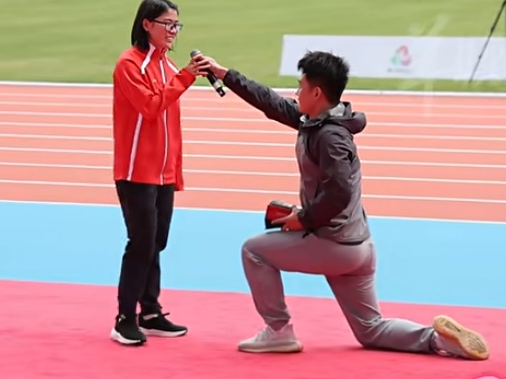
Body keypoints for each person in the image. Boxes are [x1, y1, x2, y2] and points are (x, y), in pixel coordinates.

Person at [192, 50, 490, 360]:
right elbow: (270, 102)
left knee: (253, 250)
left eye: (300, 86)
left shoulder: (330, 137)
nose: (295, 94)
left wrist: (302, 219)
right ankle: (439, 340)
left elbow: (339, 194)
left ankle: (279, 331)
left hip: (334, 245)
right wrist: (224, 73)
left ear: (316, 92)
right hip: (358, 247)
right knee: (371, 329)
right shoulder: (317, 121)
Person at [110, 0, 208, 346]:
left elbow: (171, 125)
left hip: (163, 173)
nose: (173, 32)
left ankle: (150, 310)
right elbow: (150, 107)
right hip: (136, 171)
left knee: (157, 241)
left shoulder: (167, 66)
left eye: (177, 25)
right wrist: (186, 77)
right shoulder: (129, 65)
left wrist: (175, 171)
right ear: (147, 24)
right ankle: (125, 317)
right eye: (168, 24)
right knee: (141, 242)